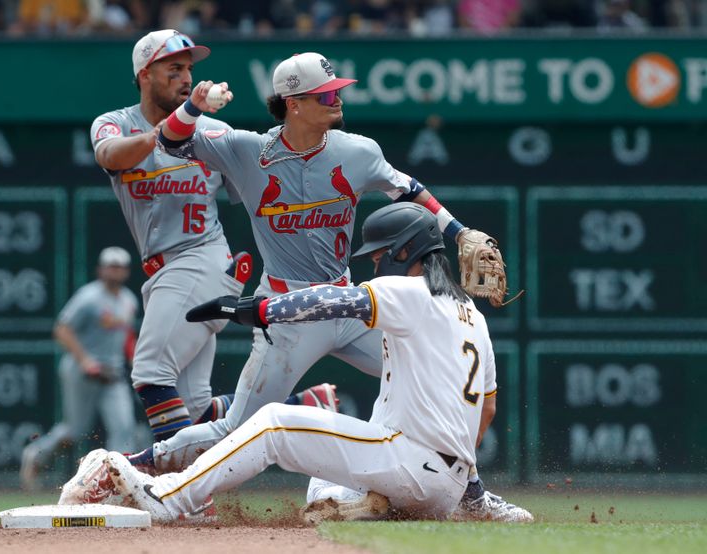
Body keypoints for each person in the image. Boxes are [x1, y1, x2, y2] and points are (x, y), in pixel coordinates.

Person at [110, 50, 526, 521]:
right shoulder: (245, 149)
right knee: (239, 427)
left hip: (350, 305)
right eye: (325, 94)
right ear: (294, 103)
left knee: (446, 375)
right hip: (287, 313)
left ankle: (471, 495)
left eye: (337, 91)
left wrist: (459, 232)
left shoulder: (357, 151)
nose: (337, 99)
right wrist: (194, 107)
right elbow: (170, 140)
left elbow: (408, 190)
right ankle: (138, 465)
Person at [59, 204, 532, 524]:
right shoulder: (472, 316)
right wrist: (466, 492)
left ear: (405, 251)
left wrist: (260, 310)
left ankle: (166, 498)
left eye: (379, 255)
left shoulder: (411, 290)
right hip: (443, 486)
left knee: (272, 424)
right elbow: (484, 415)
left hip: (408, 464)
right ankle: (374, 504)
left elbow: (337, 300)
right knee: (326, 474)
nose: (373, 264)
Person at [89, 31, 338, 450]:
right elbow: (112, 156)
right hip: (164, 274)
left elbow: (262, 192)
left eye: (189, 69)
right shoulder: (115, 122)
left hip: (201, 260)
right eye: (174, 69)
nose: (187, 78)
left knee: (150, 372)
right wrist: (173, 127)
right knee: (197, 408)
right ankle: (304, 405)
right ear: (145, 74)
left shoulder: (213, 131)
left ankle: (173, 482)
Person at [20, 247, 139, 491]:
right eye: (110, 266)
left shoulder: (129, 300)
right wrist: (85, 360)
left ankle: (114, 483)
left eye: (119, 266)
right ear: (101, 269)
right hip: (82, 369)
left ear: (126, 271)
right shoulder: (89, 297)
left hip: (112, 373)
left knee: (124, 427)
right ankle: (37, 455)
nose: (115, 271)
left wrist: (136, 360)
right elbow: (62, 329)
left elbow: (126, 336)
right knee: (75, 430)